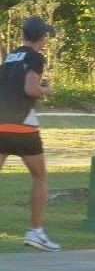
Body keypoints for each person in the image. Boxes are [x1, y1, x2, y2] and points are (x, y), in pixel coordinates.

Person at [0, 15, 60, 251]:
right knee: (40, 176)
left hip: (1, 123)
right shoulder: (36, 57)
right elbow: (30, 88)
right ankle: (36, 232)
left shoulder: (9, 58)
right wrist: (46, 89)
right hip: (23, 126)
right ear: (43, 37)